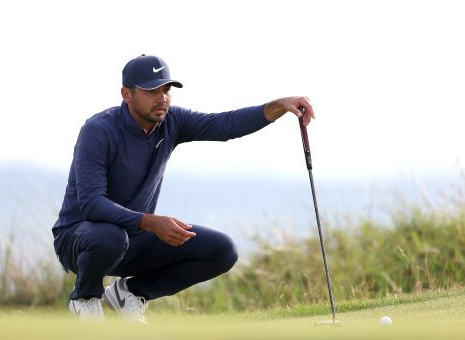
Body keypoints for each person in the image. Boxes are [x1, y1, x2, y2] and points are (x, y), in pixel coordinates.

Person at [52, 54, 315, 322]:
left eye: (166, 89)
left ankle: (129, 292)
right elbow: (92, 203)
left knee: (222, 251)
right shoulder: (98, 130)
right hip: (80, 239)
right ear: (127, 94)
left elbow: (226, 125)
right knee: (111, 236)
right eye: (151, 90)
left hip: (133, 236)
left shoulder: (172, 121)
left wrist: (281, 106)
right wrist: (151, 222)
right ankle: (85, 299)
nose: (162, 98)